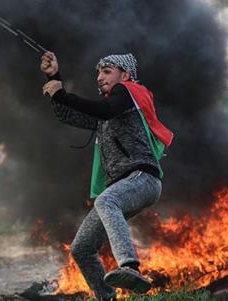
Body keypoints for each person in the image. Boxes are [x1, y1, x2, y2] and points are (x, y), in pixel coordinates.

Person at [40, 51, 173, 300]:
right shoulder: (109, 112)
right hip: (123, 187)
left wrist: (62, 93)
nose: (100, 77)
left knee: (105, 200)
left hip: (142, 179)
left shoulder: (129, 91)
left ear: (125, 75)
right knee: (81, 249)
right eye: (99, 72)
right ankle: (107, 298)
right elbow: (67, 114)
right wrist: (54, 77)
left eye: (107, 71)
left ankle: (129, 267)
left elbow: (103, 110)